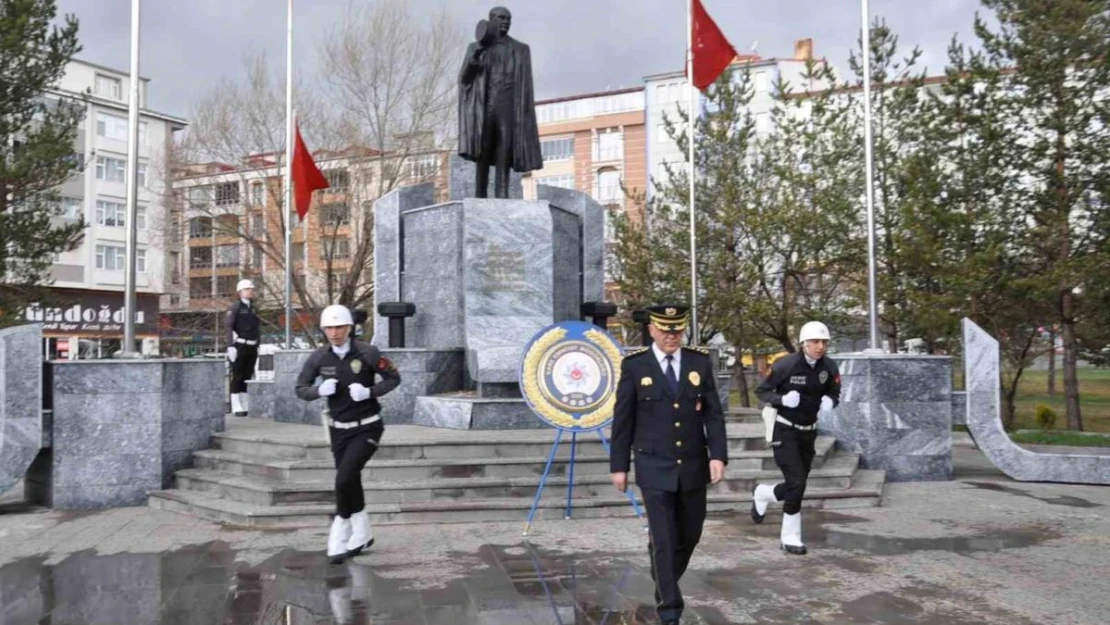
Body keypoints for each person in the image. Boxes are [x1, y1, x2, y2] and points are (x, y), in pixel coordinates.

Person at [609, 304, 728, 625]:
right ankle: (670, 609)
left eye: (677, 330)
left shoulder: (698, 362)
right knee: (664, 538)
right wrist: (619, 465)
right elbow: (623, 419)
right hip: (652, 466)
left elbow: (713, 414)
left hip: (692, 465)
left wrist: (718, 455)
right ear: (652, 329)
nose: (672, 336)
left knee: (690, 534)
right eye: (665, 330)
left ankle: (663, 574)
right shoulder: (635, 366)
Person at [296, 304, 401, 564]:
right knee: (350, 480)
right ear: (323, 330)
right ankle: (363, 534)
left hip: (368, 425)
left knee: (344, 478)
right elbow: (300, 388)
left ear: (349, 328)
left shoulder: (368, 352)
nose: (335, 333)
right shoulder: (319, 357)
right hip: (337, 430)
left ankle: (339, 533)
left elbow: (393, 378)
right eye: (329, 328)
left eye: (340, 327)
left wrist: (370, 392)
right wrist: (318, 392)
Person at [750, 321, 841, 555]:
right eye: (815, 342)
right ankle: (790, 537)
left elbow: (834, 390)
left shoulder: (829, 367)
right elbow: (762, 390)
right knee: (797, 482)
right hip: (784, 429)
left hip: (808, 431)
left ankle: (764, 494)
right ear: (804, 343)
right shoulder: (786, 365)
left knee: (796, 483)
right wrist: (781, 400)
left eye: (824, 342)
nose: (820, 346)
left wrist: (831, 401)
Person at [457, 5, 542, 198]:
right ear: (490, 20)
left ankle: (502, 194)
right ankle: (480, 194)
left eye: (508, 19)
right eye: (501, 18)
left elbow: (526, 85)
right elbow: (464, 80)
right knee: (483, 150)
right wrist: (475, 57)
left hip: (509, 105)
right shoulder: (476, 47)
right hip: (485, 105)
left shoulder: (520, 50)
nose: (505, 22)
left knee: (505, 148)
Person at [225, 279, 260, 416]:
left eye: (251, 289)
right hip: (240, 345)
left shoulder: (253, 308)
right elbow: (228, 326)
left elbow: (256, 328)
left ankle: (244, 403)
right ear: (240, 292)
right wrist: (230, 346)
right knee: (237, 375)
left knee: (247, 375)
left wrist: (258, 344)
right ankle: (236, 404)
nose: (250, 291)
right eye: (247, 289)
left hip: (252, 345)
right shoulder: (235, 307)